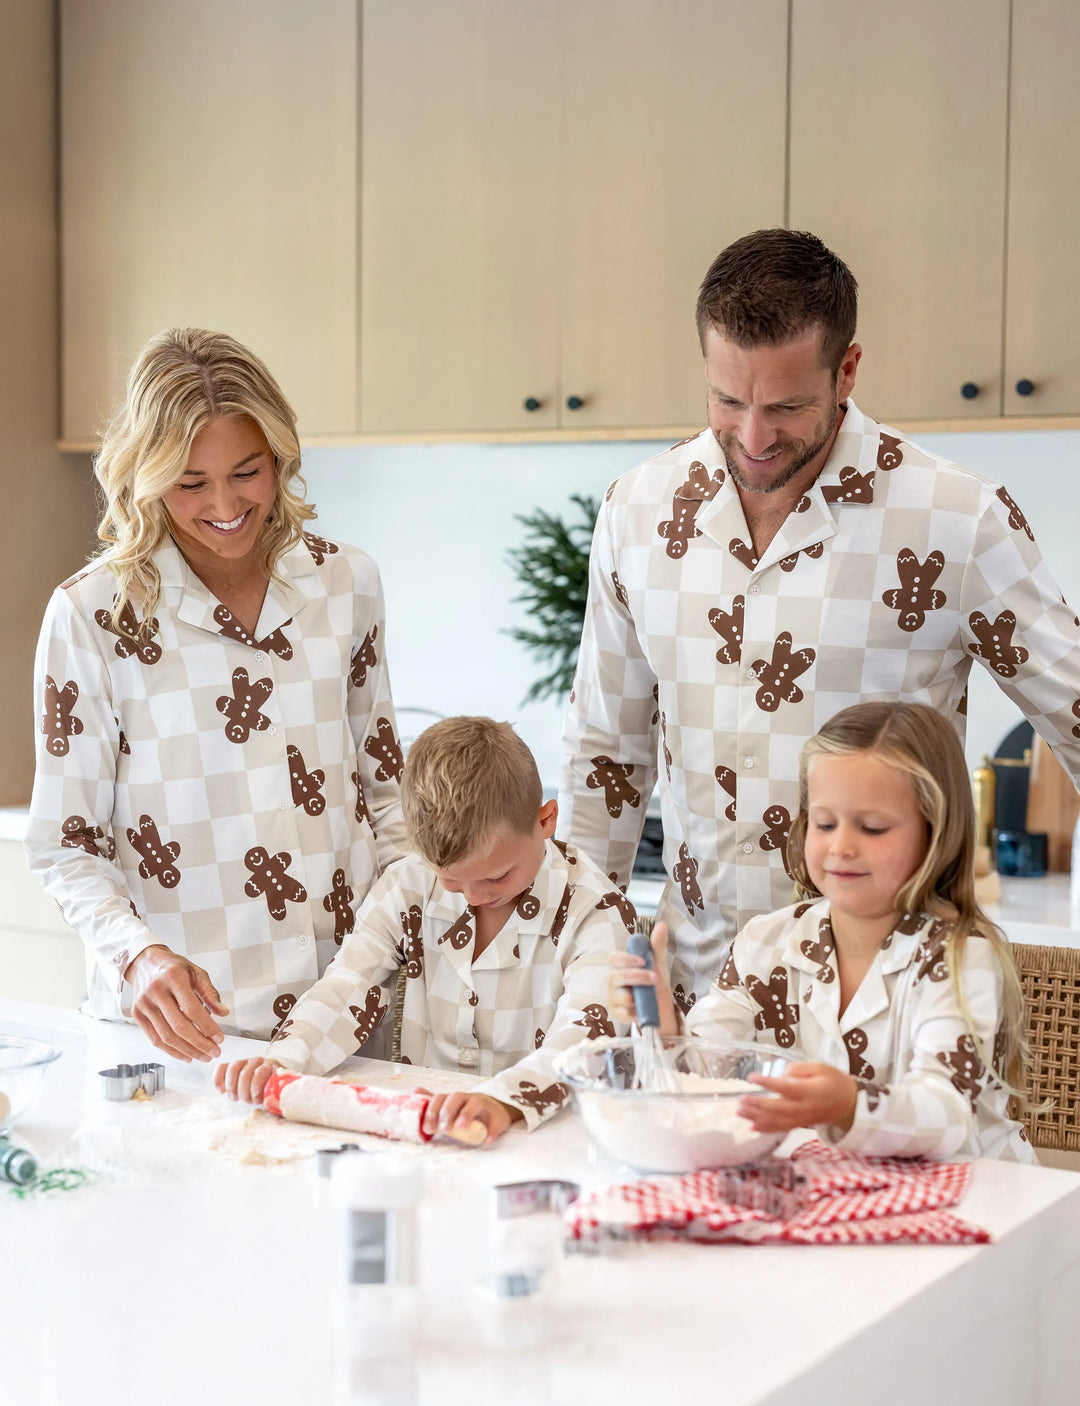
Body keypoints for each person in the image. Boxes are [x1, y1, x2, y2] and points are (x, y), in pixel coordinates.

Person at [561, 228, 1080, 1005]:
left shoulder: (957, 519)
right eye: (727, 400)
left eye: (787, 406)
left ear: (848, 369)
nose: (754, 437)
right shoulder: (637, 509)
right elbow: (606, 751)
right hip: (695, 999)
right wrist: (582, 961)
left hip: (886, 1009)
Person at [25, 329, 407, 1059]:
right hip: (181, 1033)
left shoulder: (346, 583)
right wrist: (136, 956)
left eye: (248, 471)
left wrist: (400, 946)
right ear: (144, 472)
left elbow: (385, 792)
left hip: (345, 1016)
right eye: (190, 482)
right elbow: (64, 845)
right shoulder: (92, 615)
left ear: (280, 457)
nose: (227, 504)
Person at [612, 702, 1034, 1161]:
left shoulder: (958, 958)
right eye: (825, 823)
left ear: (936, 832)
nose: (841, 846)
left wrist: (851, 1105)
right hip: (845, 1190)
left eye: (872, 828)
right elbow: (709, 1071)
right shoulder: (766, 942)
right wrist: (666, 1027)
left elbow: (946, 1114)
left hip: (978, 1202)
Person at [216, 716, 636, 1142]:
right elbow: (347, 986)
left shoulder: (596, 913)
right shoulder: (408, 884)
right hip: (420, 1126)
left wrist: (502, 1102)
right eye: (451, 880)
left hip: (544, 1136)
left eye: (497, 877)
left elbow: (584, 1039)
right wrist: (285, 1061)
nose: (473, 896)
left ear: (545, 821)